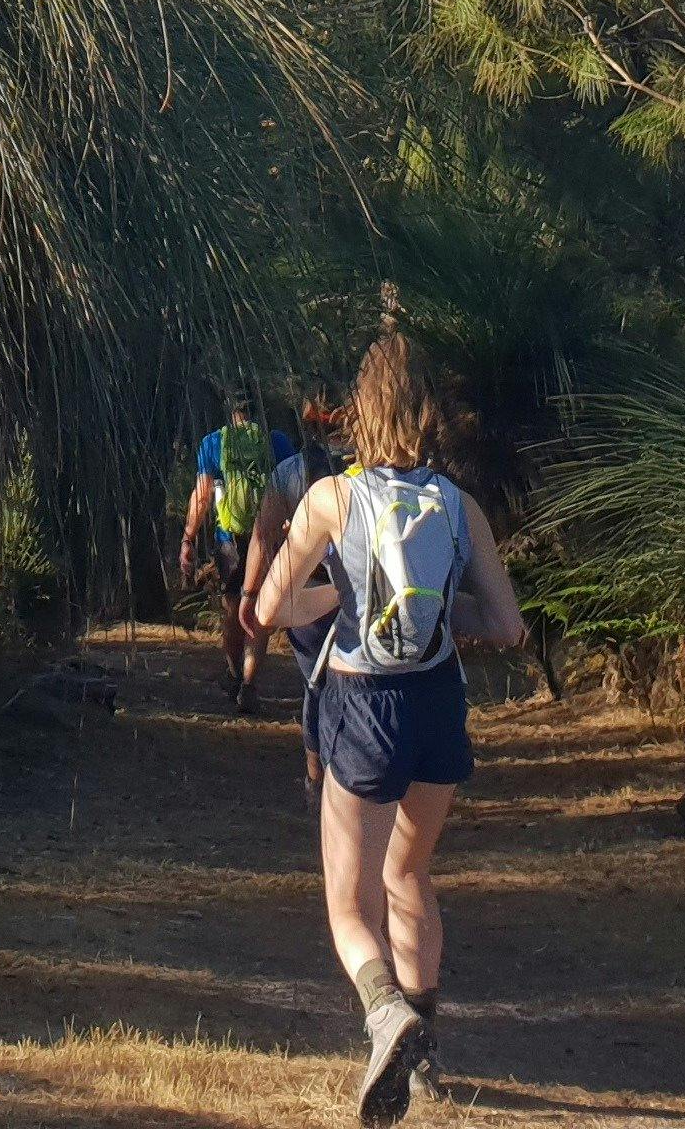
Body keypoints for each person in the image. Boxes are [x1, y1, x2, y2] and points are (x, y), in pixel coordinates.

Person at [254, 332, 523, 1122]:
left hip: (363, 704)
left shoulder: (331, 499)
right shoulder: (459, 505)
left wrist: (344, 596)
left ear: (358, 412)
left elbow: (269, 607)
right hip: (437, 703)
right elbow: (507, 626)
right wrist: (431, 607)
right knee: (409, 873)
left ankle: (386, 1015)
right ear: (430, 413)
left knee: (349, 907)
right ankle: (426, 1057)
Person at [244, 393, 350, 787]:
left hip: (307, 595)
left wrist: (249, 594)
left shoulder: (290, 471)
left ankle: (315, 776)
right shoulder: (371, 470)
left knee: (315, 684)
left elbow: (262, 534)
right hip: (365, 594)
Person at [176, 385, 279, 708]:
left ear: (230, 410)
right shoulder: (275, 442)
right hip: (267, 535)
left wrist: (188, 538)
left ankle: (234, 675)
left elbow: (202, 496)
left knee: (233, 608)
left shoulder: (213, 443)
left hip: (229, 541)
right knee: (259, 609)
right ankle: (249, 682)